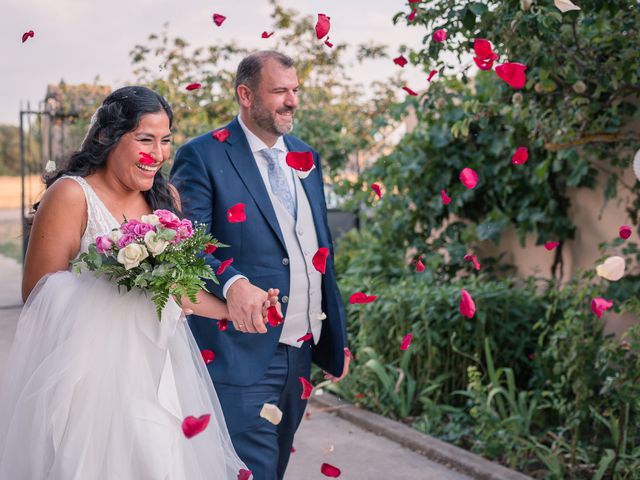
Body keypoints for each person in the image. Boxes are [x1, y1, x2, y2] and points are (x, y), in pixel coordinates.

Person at [0, 86, 276, 479]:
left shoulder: (166, 199)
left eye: (165, 141)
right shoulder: (71, 196)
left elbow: (176, 289)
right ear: (105, 137)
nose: (158, 154)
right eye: (145, 139)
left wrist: (236, 310)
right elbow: (38, 295)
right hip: (89, 385)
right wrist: (118, 276)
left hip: (157, 376)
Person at [171, 51, 350, 480]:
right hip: (239, 354)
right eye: (279, 91)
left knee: (276, 467)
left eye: (295, 91)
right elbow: (186, 243)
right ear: (246, 94)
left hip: (300, 353)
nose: (292, 101)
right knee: (252, 471)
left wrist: (335, 335)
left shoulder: (307, 158)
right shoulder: (202, 156)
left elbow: (314, 247)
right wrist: (232, 282)